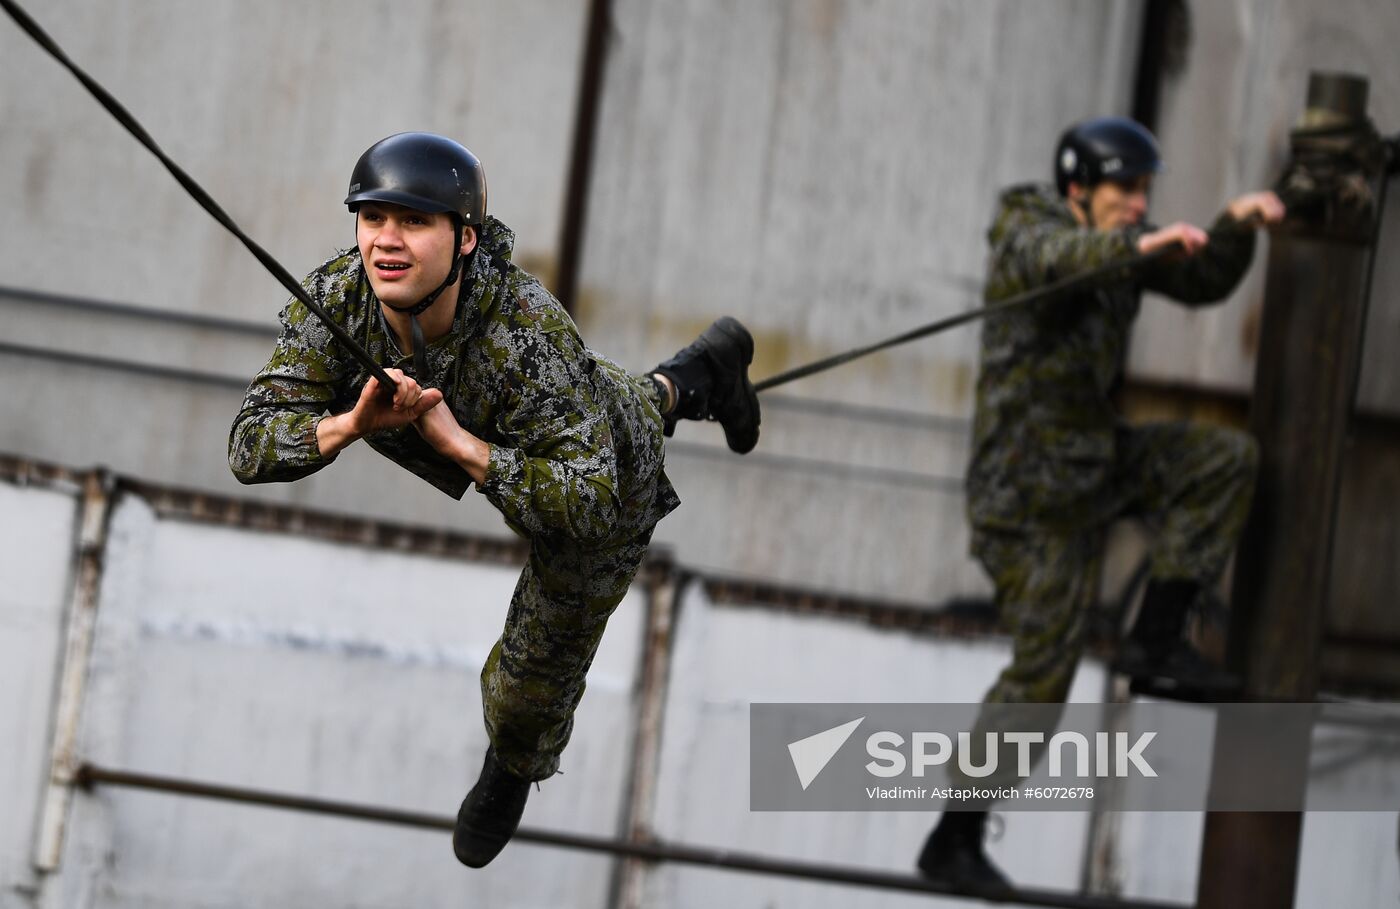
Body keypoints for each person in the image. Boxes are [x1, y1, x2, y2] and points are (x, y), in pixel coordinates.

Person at [228, 132, 760, 868]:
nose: (387, 240)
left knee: (529, 688)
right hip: (558, 412)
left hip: (593, 479)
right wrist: (348, 424)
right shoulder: (339, 301)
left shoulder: (528, 328)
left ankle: (513, 762)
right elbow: (250, 445)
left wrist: (462, 446)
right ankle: (700, 372)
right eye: (372, 217)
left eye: (414, 222)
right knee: (618, 399)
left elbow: (591, 503)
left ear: (466, 238)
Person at [914, 117, 1286, 890]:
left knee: (1222, 460)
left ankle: (1156, 637)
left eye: (1147, 190)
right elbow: (1056, 260)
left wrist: (1236, 225)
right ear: (1080, 187)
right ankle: (953, 839)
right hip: (1026, 498)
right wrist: (1133, 248)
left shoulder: (1125, 245)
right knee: (1043, 675)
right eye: (1127, 190)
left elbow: (1202, 276)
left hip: (1091, 460)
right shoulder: (1030, 225)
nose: (1139, 204)